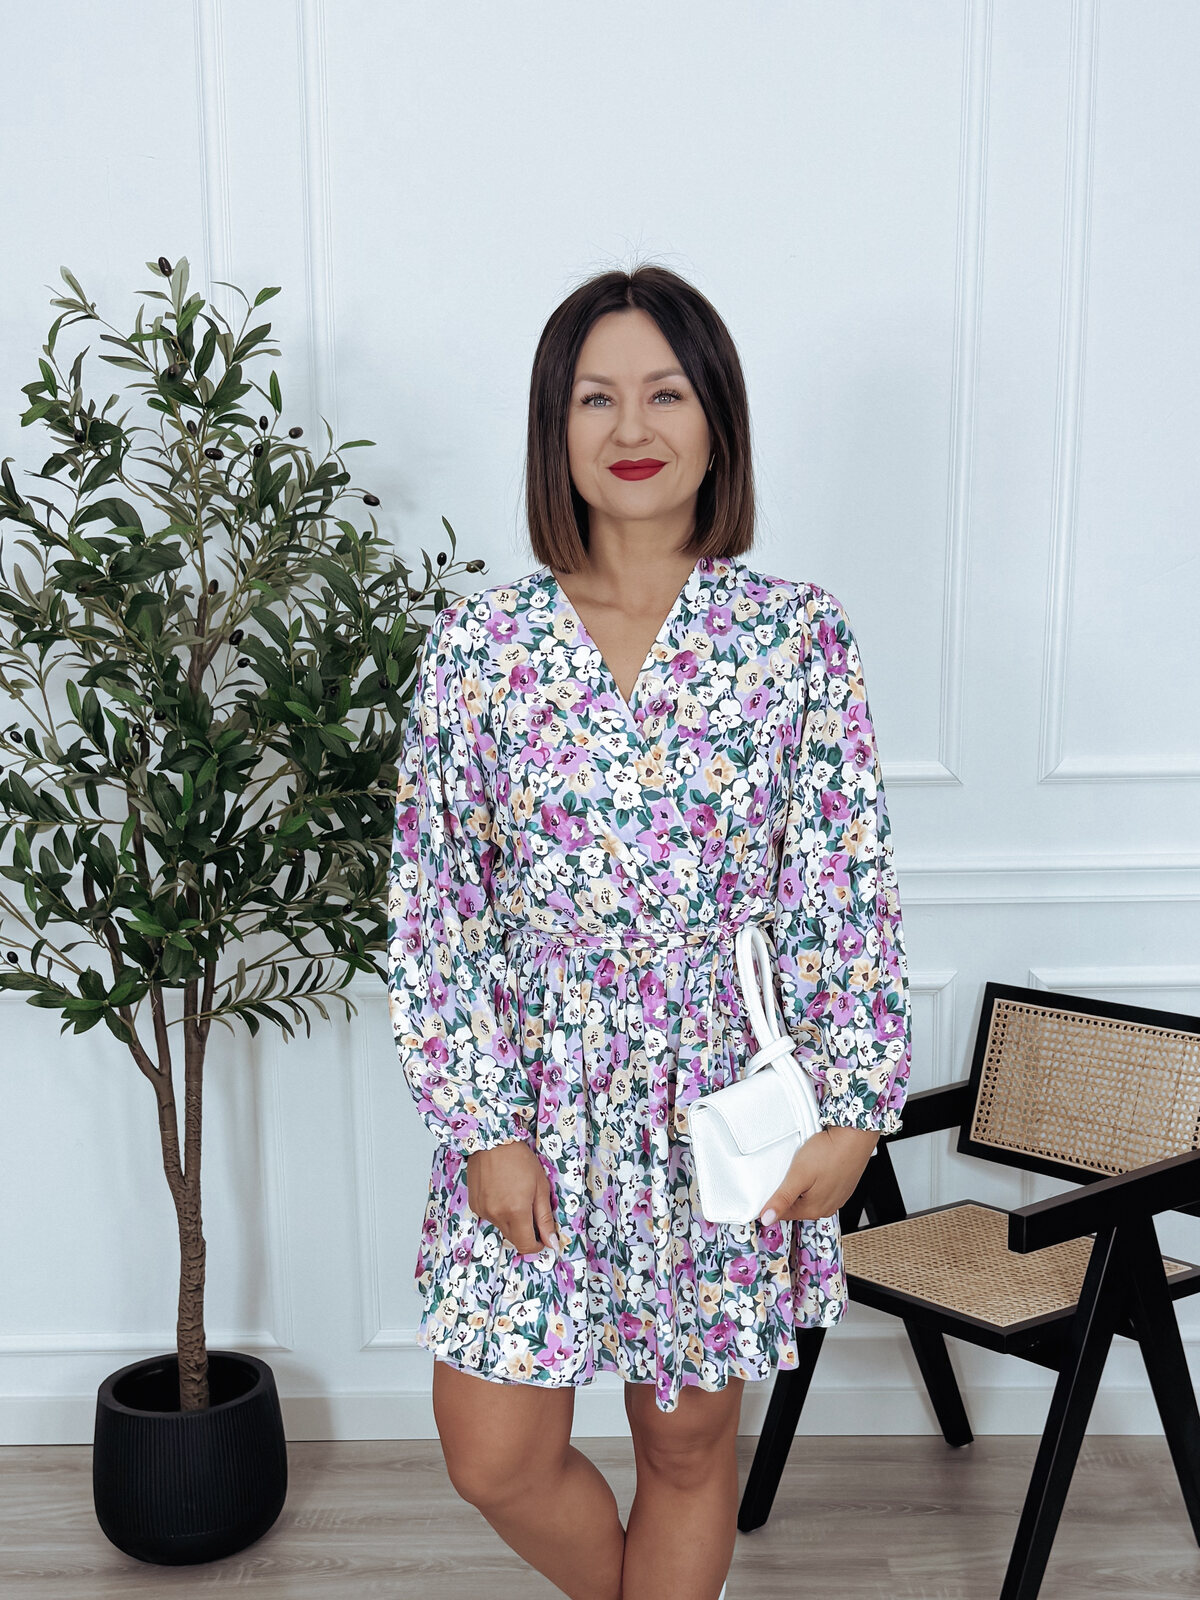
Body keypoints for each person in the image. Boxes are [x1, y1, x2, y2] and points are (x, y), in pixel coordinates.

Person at [387, 263, 912, 1600]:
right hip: (535, 1091)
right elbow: (439, 909)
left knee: (685, 1448)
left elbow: (842, 889)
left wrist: (854, 1110)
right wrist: (485, 1126)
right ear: (553, 430)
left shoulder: (796, 637)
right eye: (595, 398)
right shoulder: (480, 647)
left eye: (666, 394)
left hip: (715, 1093)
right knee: (494, 1454)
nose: (632, 427)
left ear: (717, 420)